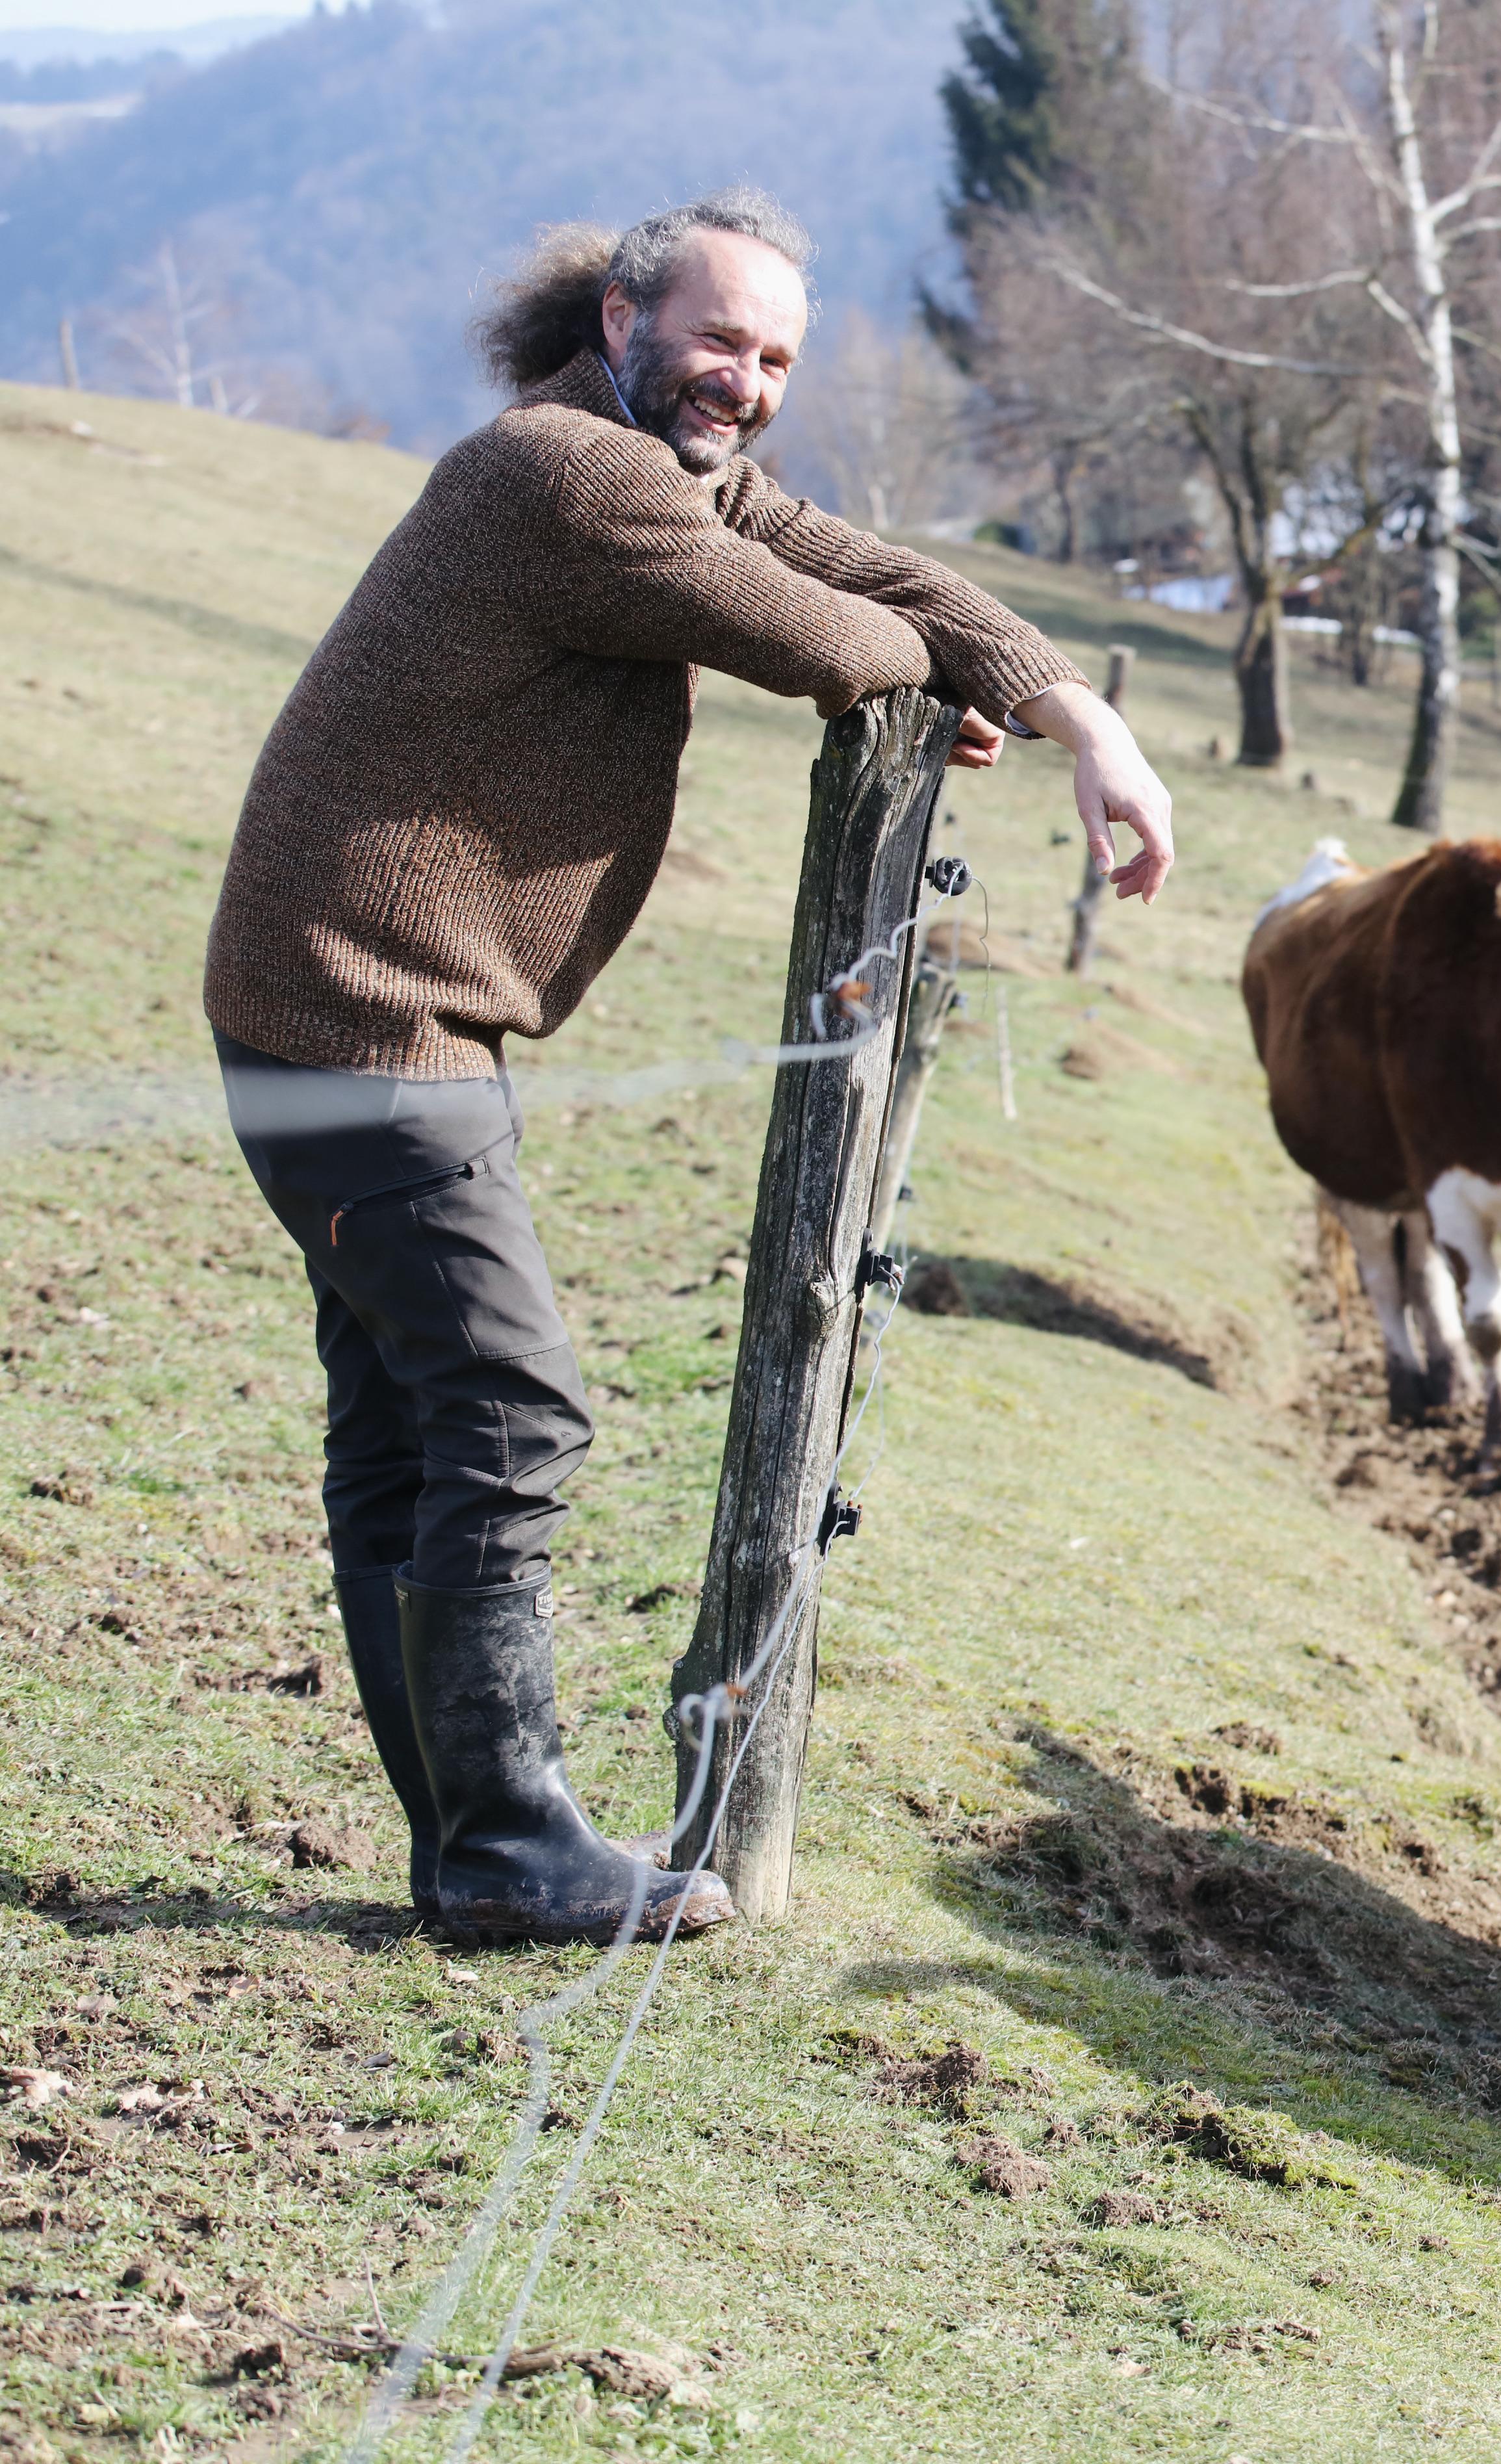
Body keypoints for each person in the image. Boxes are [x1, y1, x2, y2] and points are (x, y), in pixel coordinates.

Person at [200, 188, 1175, 1945]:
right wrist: (909, 683)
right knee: (506, 1410)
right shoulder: (562, 476)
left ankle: (475, 1845)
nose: (747, 379)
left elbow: (874, 573)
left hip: (363, 1006)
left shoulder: (665, 469)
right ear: (626, 315)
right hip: (364, 1014)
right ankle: (504, 1851)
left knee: (413, 1430)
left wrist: (1075, 712)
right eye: (721, 338)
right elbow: (839, 634)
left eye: (780, 355)